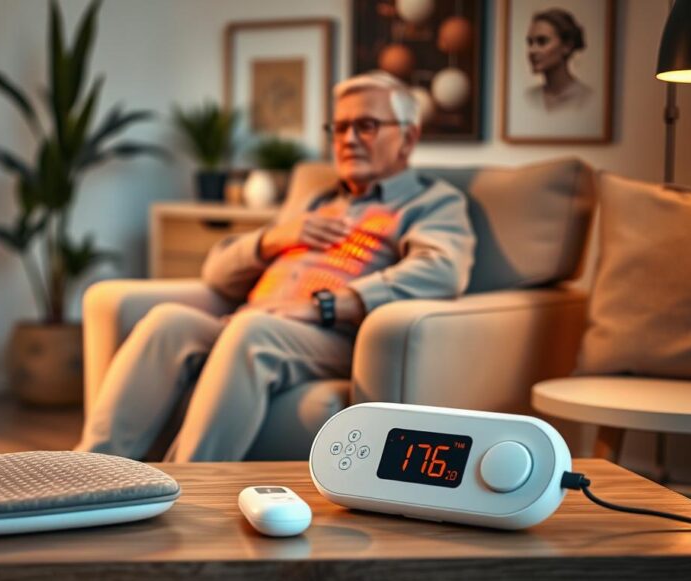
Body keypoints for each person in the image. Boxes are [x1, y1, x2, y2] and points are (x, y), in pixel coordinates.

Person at [75, 71, 476, 462]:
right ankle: (90, 473)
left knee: (254, 330)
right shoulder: (316, 200)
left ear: (409, 137)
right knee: (167, 322)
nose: (348, 139)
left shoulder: (432, 202)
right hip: (254, 319)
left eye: (366, 125)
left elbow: (441, 269)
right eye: (338, 128)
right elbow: (216, 274)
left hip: (332, 333)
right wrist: (273, 238)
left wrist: (326, 305)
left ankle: (188, 492)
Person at [525, 8, 593, 112]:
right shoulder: (529, 98)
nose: (532, 50)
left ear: (567, 46)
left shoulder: (587, 98)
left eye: (542, 41)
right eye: (530, 43)